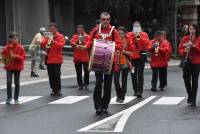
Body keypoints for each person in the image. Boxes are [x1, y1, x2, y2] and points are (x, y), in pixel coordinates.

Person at [82, 12, 122, 115]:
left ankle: (105, 106)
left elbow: (119, 44)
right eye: (103, 19)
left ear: (110, 20)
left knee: (108, 84)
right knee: (98, 83)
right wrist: (84, 47)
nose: (105, 21)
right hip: (98, 60)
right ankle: (98, 106)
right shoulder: (96, 30)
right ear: (100, 20)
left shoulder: (114, 31)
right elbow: (90, 42)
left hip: (110, 61)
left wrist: (108, 45)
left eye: (107, 19)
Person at [178, 23, 200, 107]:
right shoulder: (185, 38)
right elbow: (180, 49)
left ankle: (193, 99)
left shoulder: (198, 39)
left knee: (195, 80)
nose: (191, 31)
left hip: (196, 62)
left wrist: (193, 46)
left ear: (196, 30)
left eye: (193, 29)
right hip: (187, 61)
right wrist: (185, 50)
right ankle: (190, 95)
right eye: (190, 29)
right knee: (186, 78)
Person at [41, 23, 65, 96]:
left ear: (56, 29)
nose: (51, 30)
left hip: (57, 59)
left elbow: (61, 45)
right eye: (50, 29)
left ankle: (58, 89)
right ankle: (53, 89)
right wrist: (47, 39)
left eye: (53, 29)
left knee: (57, 74)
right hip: (49, 59)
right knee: (51, 75)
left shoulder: (60, 36)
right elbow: (42, 44)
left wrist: (54, 41)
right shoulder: (47, 36)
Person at [1, 32, 26, 104]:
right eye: (15, 38)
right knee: (8, 82)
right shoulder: (6, 48)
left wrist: (15, 56)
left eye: (17, 38)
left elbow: (23, 58)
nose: (16, 39)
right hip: (9, 67)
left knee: (17, 82)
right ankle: (9, 98)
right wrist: (6, 59)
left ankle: (16, 98)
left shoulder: (20, 47)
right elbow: (3, 58)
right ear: (10, 39)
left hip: (17, 67)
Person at [127, 21, 150, 98]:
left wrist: (139, 37)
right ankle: (135, 90)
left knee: (140, 74)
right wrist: (134, 36)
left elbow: (147, 44)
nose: (136, 28)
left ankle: (140, 91)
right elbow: (129, 44)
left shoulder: (144, 34)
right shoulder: (129, 34)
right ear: (132, 28)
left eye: (138, 27)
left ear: (140, 28)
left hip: (141, 58)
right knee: (133, 74)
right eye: (135, 27)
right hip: (132, 58)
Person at [114, 26, 134, 103]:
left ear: (125, 34)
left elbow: (132, 53)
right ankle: (118, 94)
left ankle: (122, 96)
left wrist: (124, 51)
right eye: (118, 33)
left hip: (125, 62)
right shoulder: (114, 40)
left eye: (122, 33)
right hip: (116, 62)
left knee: (124, 80)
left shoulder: (128, 40)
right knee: (116, 80)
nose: (120, 35)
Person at [70, 25, 90, 90]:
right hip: (77, 57)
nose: (79, 31)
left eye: (80, 30)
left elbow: (89, 44)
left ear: (83, 30)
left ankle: (86, 83)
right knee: (78, 72)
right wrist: (77, 41)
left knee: (86, 70)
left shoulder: (87, 36)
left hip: (85, 57)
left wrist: (83, 42)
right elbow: (72, 44)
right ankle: (80, 84)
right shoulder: (75, 36)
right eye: (78, 30)